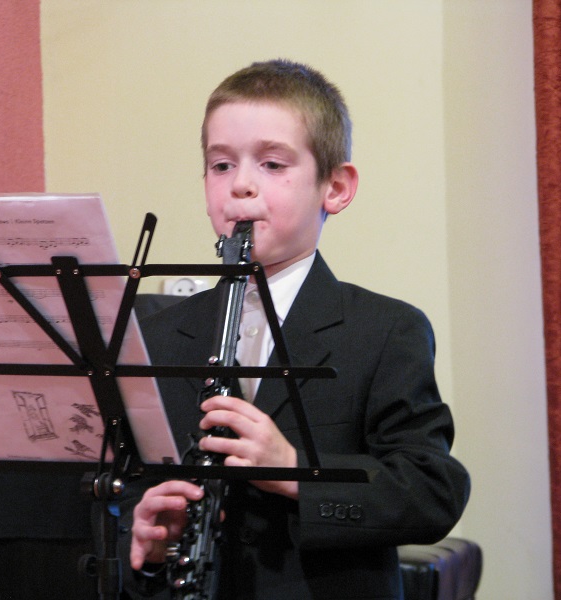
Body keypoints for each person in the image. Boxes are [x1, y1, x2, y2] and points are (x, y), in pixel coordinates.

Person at [121, 59, 470, 599]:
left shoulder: (385, 330)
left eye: (272, 164)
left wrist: (294, 468)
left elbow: (432, 491)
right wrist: (146, 537)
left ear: (336, 187)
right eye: (221, 165)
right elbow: (130, 486)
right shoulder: (159, 334)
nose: (241, 185)